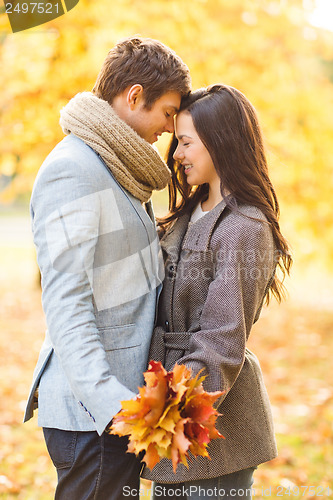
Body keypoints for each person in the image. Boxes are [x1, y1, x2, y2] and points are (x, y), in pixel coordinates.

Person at [23, 36, 191, 500]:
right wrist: (111, 406)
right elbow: (66, 303)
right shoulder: (74, 169)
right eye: (168, 112)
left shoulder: (118, 168)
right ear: (134, 96)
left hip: (118, 413)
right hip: (94, 418)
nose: (171, 128)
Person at [142, 84, 292, 499]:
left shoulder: (246, 226)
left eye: (186, 143)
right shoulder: (188, 213)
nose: (176, 154)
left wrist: (167, 412)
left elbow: (223, 340)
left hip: (210, 421)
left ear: (220, 143)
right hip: (172, 412)